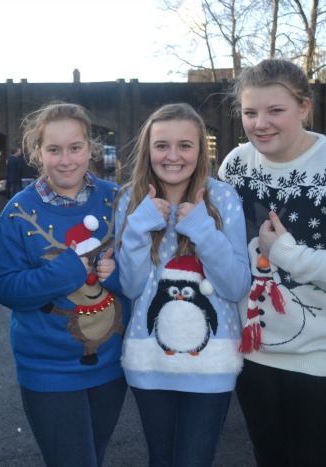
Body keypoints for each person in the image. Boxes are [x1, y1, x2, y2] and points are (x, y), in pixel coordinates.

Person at [218, 59, 326, 466]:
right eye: (250, 112)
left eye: (275, 110)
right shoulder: (235, 166)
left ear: (304, 108)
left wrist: (287, 255)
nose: (261, 123)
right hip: (254, 353)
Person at [0, 102, 131, 467]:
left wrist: (113, 275)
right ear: (38, 152)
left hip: (110, 364)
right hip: (47, 370)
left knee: (94, 457)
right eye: (54, 149)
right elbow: (7, 289)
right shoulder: (18, 212)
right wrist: (66, 272)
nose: (66, 159)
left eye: (75, 148)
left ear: (90, 149)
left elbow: (139, 273)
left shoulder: (118, 200)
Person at [114, 103, 250, 466]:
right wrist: (140, 227)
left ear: (200, 150)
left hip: (212, 360)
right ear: (148, 149)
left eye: (185, 145)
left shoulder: (222, 198)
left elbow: (236, 286)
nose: (172, 156)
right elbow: (130, 285)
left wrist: (203, 230)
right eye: (162, 145)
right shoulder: (130, 198)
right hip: (149, 358)